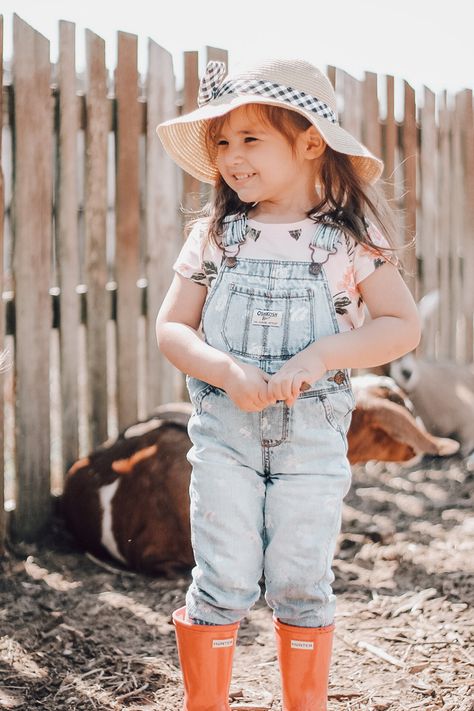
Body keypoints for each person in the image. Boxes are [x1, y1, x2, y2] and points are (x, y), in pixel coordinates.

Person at [155, 58, 421, 711]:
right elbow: (171, 328)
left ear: (308, 143)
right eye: (222, 141)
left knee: (302, 579)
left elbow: (402, 325)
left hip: (312, 446)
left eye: (250, 139)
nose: (231, 157)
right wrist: (224, 369)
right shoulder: (216, 237)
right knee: (222, 576)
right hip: (226, 440)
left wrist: (327, 352)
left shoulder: (348, 242)